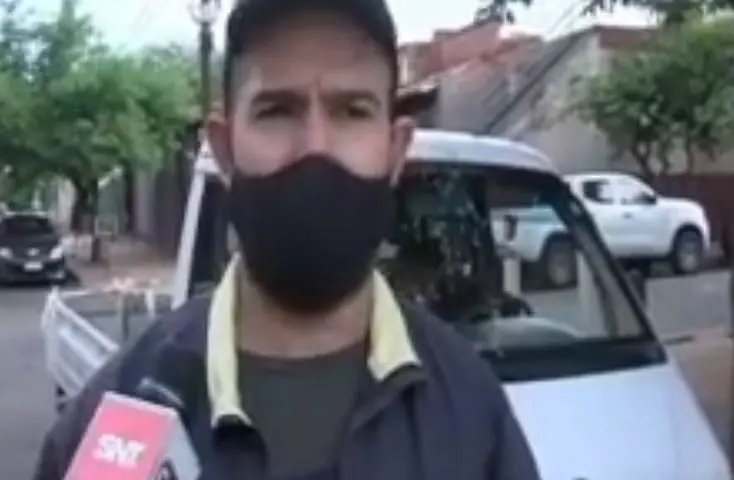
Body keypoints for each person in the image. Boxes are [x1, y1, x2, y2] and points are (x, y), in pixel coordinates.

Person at [32, 0, 540, 478]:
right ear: (225, 151)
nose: (314, 148)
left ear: (394, 150)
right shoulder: (117, 422)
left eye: (352, 111)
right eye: (277, 110)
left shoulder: (474, 413)